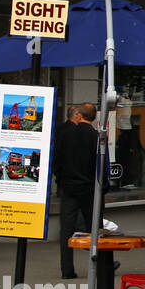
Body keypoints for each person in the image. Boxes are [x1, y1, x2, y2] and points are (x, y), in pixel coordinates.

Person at [52, 103, 97, 280]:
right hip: (88, 188)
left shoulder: (64, 134)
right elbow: (98, 164)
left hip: (69, 187)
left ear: (79, 115)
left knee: (67, 230)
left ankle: (67, 269)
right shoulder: (94, 135)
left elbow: (56, 162)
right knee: (94, 228)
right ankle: (99, 264)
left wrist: (61, 180)